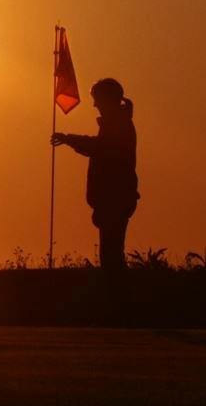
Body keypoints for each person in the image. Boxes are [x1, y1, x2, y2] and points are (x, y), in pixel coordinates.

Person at [50, 78, 139, 271]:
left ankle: (117, 295)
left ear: (108, 99)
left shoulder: (119, 125)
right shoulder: (116, 123)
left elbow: (100, 148)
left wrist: (68, 139)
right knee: (111, 254)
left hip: (115, 197)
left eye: (97, 99)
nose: (95, 104)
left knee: (111, 256)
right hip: (113, 197)